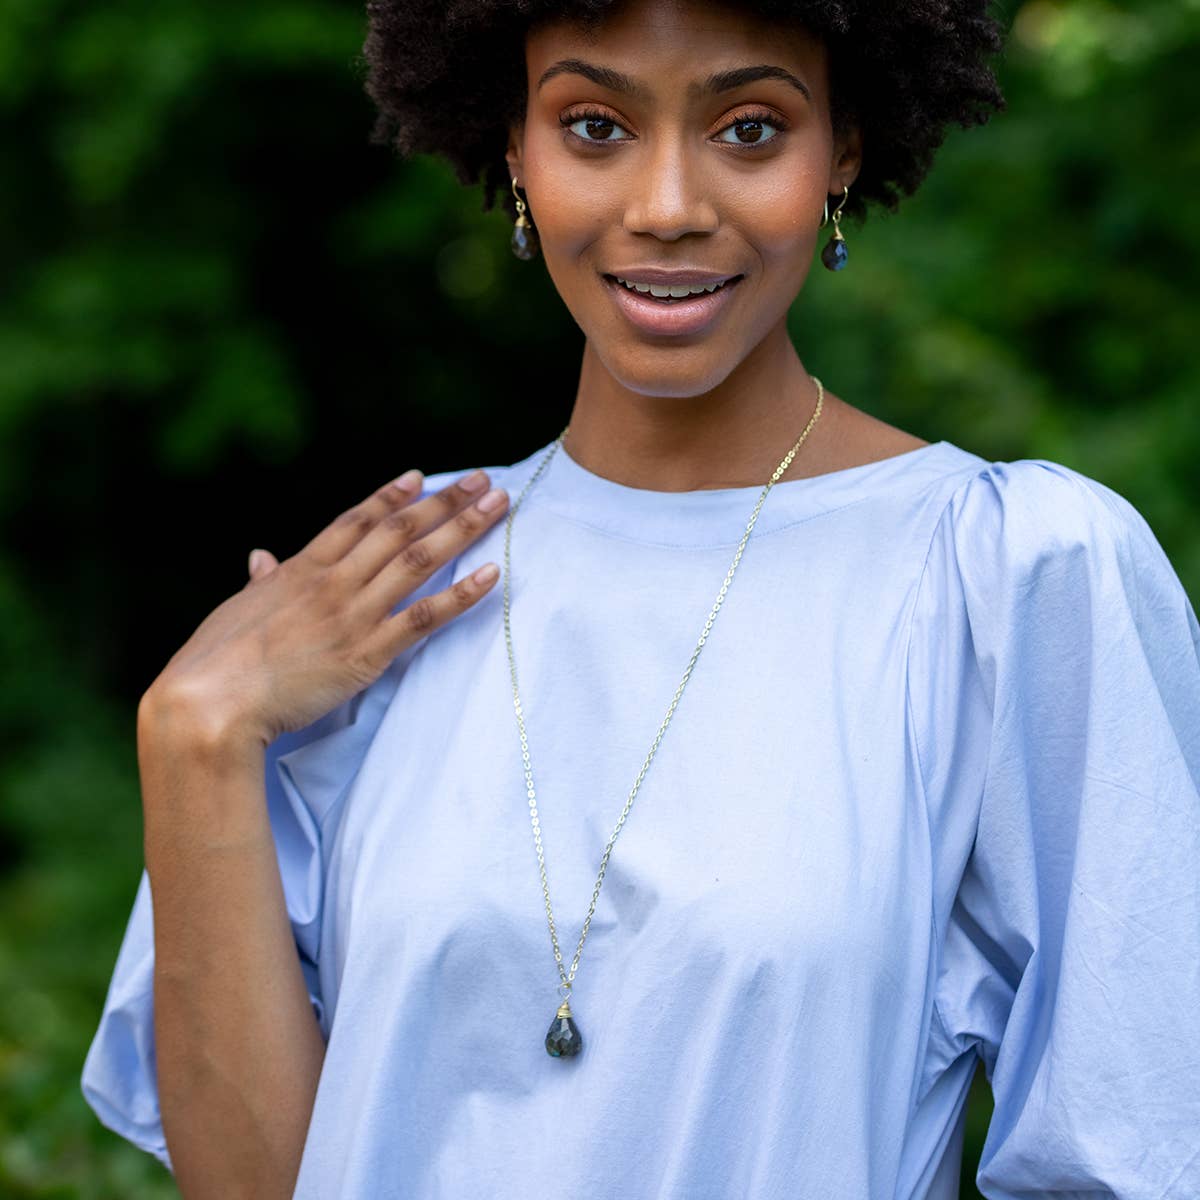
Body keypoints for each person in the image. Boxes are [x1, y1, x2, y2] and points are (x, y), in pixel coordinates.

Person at [81, 1, 1200, 1196]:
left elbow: (1139, 1146)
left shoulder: (1005, 571)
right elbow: (254, 1184)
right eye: (596, 124)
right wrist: (195, 737)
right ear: (516, 146)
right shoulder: (382, 590)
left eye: (752, 127)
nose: (667, 205)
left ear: (848, 147)